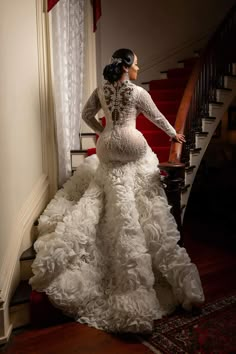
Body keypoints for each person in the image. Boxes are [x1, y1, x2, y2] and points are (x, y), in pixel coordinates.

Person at [30, 48, 204, 333]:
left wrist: (104, 131)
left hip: (107, 144)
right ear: (127, 66)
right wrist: (173, 134)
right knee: (142, 197)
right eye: (136, 63)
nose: (138, 67)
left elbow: (87, 115)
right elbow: (156, 117)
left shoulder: (101, 89)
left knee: (105, 190)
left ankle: (116, 212)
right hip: (132, 145)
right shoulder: (136, 92)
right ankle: (135, 217)